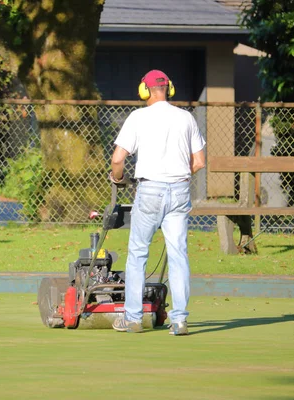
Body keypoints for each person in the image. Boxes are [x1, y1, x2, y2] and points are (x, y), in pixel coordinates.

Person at [109, 69, 206, 336]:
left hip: (149, 191)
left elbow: (118, 159)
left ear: (145, 90)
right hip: (180, 190)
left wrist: (117, 178)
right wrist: (178, 173)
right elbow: (199, 162)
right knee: (178, 254)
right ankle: (180, 320)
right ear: (169, 89)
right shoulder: (186, 118)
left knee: (138, 252)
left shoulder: (138, 117)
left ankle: (133, 318)